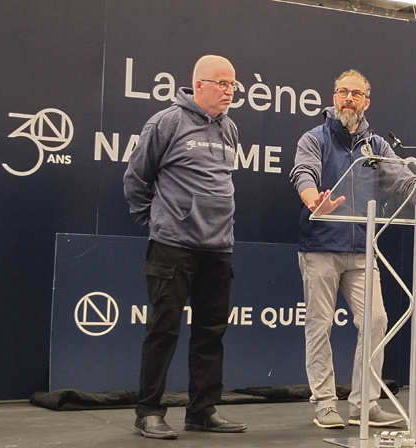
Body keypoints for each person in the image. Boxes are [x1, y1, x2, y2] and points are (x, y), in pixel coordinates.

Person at [289, 69, 416, 429]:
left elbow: (405, 183)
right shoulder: (314, 138)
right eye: (343, 92)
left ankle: (365, 404)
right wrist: (313, 201)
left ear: (366, 103)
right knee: (319, 326)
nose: (348, 98)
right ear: (334, 97)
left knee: (376, 321)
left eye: (355, 94)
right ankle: (325, 403)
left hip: (362, 248)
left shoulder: (377, 146)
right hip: (321, 246)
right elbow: (303, 173)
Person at [123, 55, 247, 439]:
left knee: (211, 332)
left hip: (218, 247)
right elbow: (136, 179)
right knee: (164, 328)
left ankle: (202, 411)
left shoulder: (230, 129)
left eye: (233, 84)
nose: (229, 91)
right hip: (173, 247)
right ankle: (148, 412)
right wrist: (159, 223)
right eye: (222, 83)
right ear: (199, 86)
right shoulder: (167, 122)